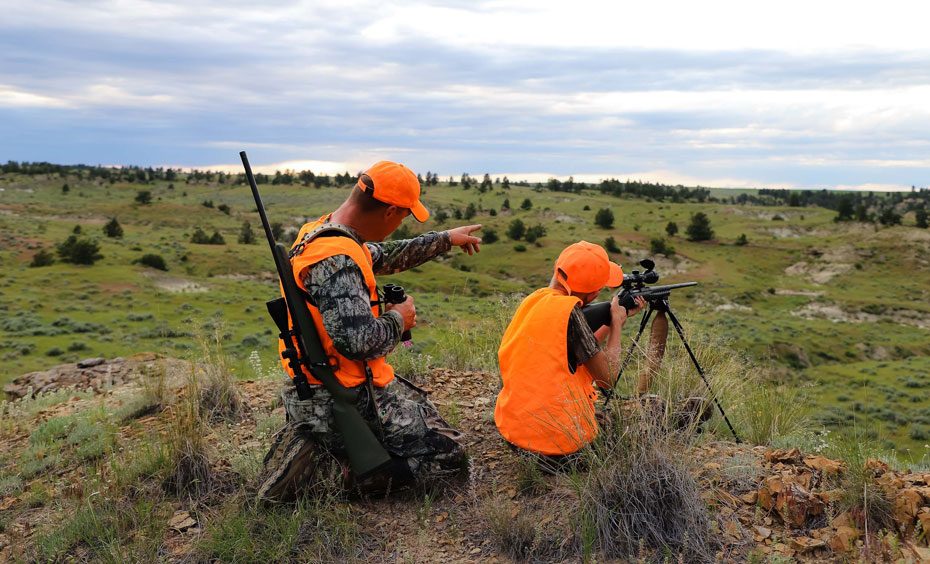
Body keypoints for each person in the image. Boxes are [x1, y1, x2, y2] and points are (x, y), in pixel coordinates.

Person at [259, 161, 481, 500]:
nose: (399, 226)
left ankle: (327, 447)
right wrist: (399, 319)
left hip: (328, 385)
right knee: (449, 455)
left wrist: (445, 240)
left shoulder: (323, 234)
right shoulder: (337, 263)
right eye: (404, 217)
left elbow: (384, 254)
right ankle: (328, 473)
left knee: (427, 413)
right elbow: (359, 343)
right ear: (390, 211)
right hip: (340, 396)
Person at [494, 241, 647, 462]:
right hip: (560, 450)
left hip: (516, 436)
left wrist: (613, 321)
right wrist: (616, 325)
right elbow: (608, 379)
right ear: (594, 294)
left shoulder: (534, 301)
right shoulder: (571, 315)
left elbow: (582, 347)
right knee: (641, 418)